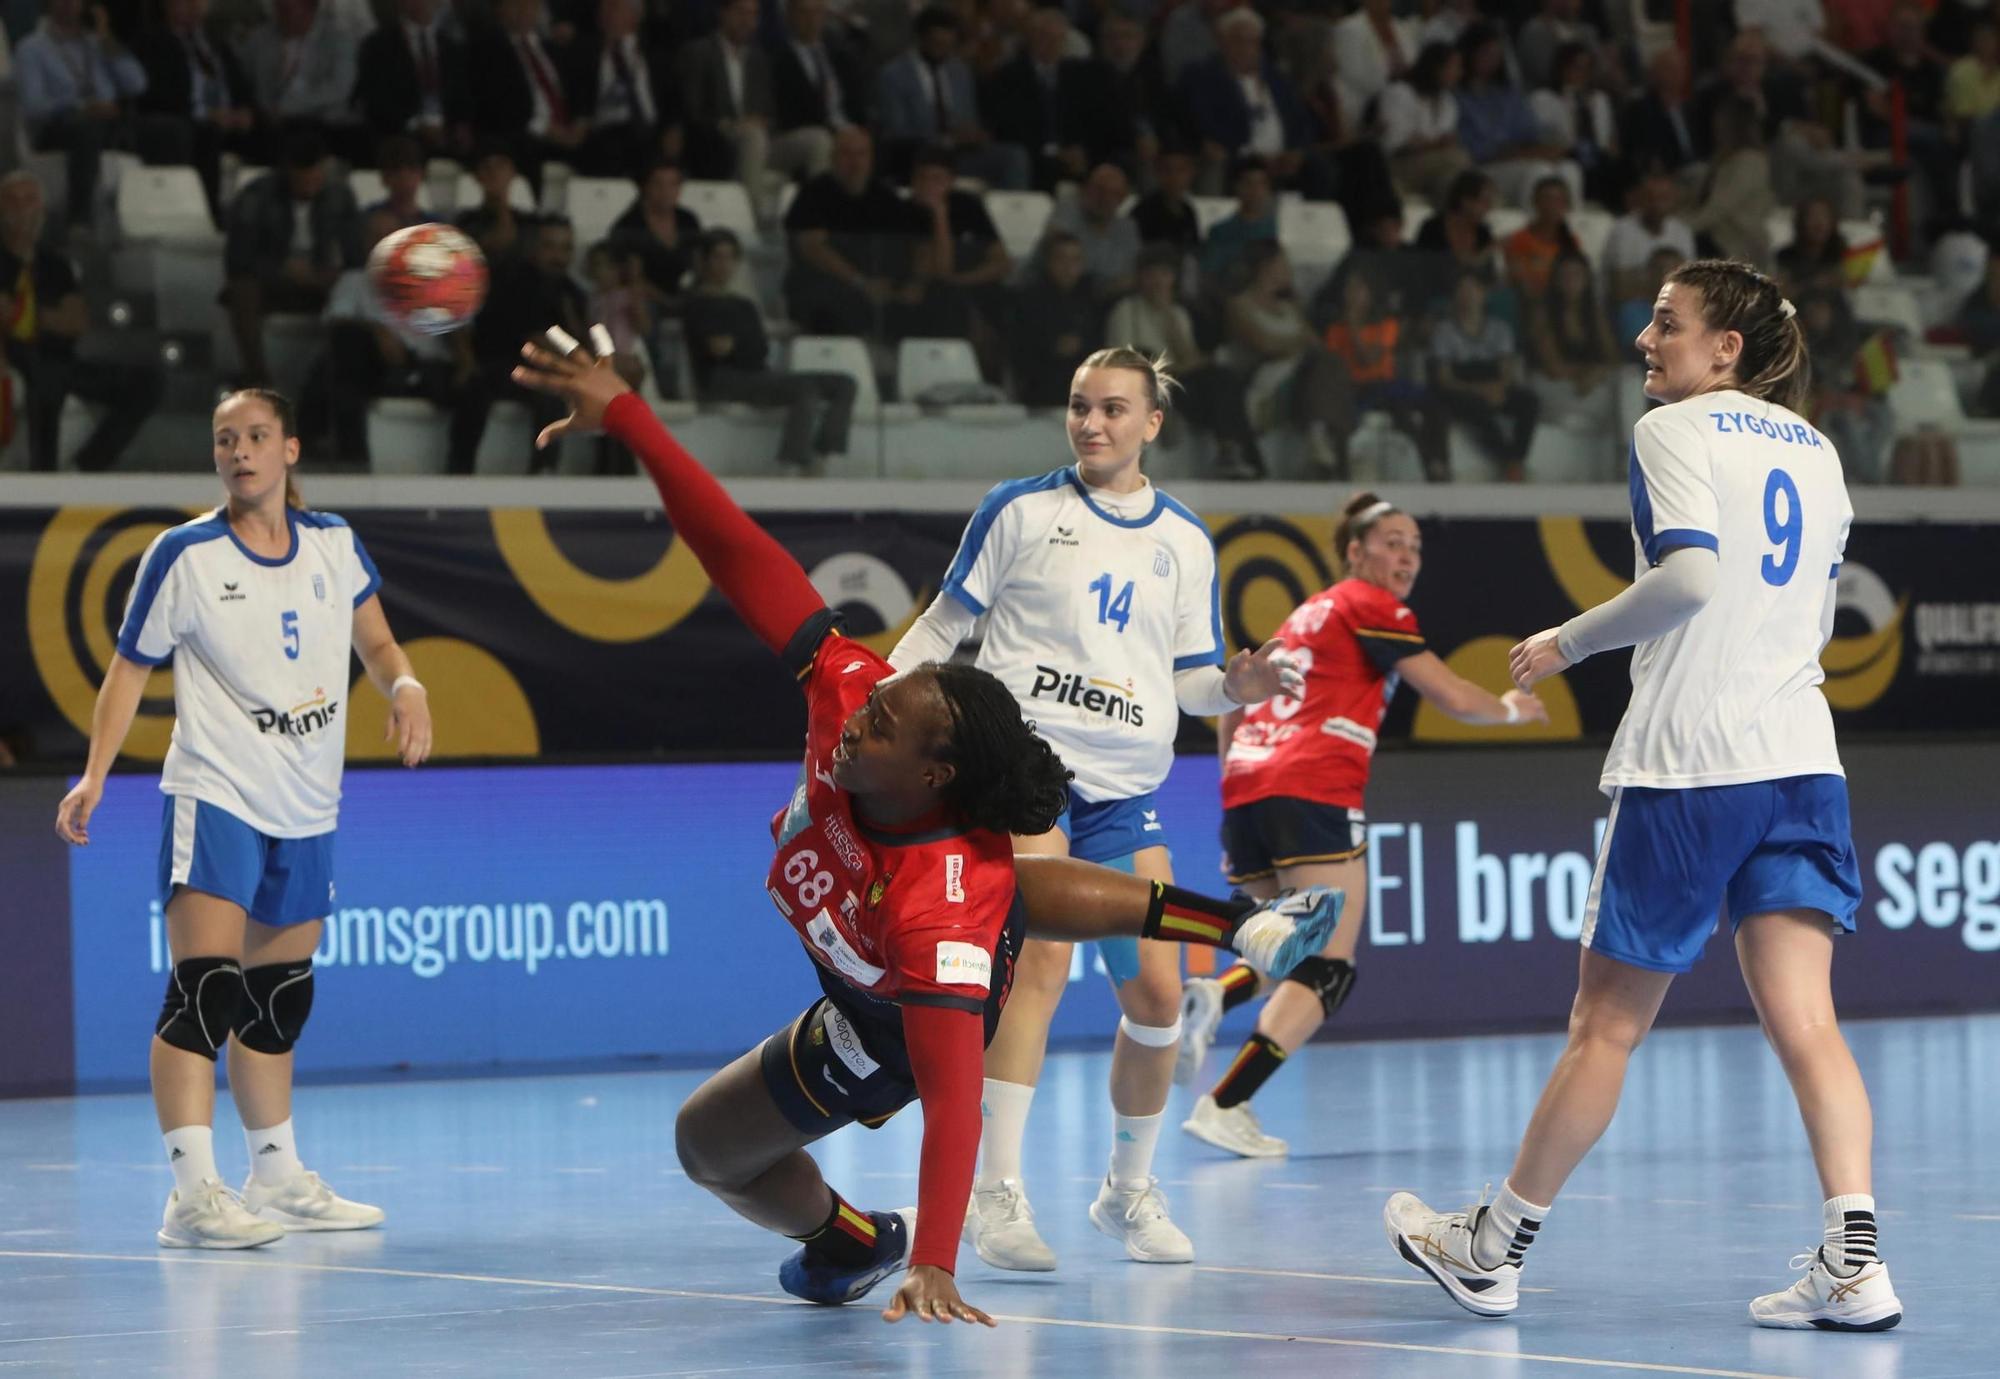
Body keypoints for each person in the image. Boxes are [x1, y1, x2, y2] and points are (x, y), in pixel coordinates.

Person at [509, 331, 1342, 1323]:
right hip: (903, 928)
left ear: (931, 772)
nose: (862, 712)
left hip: (884, 1031)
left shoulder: (938, 913)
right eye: (874, 703)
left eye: (886, 722)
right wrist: (631, 421)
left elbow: (947, 1102)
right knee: (707, 1142)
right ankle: (849, 1236)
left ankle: (1031, 1179)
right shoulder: (851, 689)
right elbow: (739, 551)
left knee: (1018, 921)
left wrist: (937, 1259)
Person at [1384, 258, 1903, 1334]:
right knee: (1807, 1018)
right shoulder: (1818, 451)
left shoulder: (1672, 430)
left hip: (1687, 763)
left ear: (1725, 352)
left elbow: (1691, 579)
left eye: (1666, 324)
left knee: (1604, 1027)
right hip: (1802, 761)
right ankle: (1855, 1262)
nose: (1643, 340)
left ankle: (1490, 1247)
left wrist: (1561, 643)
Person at [884, 346, 1305, 1274]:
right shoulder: (1021, 508)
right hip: (1025, 777)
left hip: (1128, 792)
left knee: (1158, 994)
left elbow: (1197, 683)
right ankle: (998, 1192)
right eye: (1079, 406)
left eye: (1114, 409)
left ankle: (1126, 1192)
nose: (1091, 424)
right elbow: (944, 627)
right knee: (1036, 961)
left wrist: (1239, 679)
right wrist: (872, 700)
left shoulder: (1186, 540)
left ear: (1152, 423)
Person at [53, 387, 432, 1248]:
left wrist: (404, 684)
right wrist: (95, 775)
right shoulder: (183, 554)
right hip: (216, 792)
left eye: (257, 436)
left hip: (308, 802)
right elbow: (127, 671)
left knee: (279, 997)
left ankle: (278, 1175)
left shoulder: (334, 543)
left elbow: (375, 643)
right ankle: (191, 1195)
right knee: (205, 989)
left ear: (290, 449)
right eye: (225, 439)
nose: (240, 451)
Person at [1180, 495, 1549, 1155]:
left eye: (1414, 545)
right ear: (1355, 550)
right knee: (1330, 963)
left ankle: (1219, 1046)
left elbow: (1233, 705)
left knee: (1278, 937)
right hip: (1314, 786)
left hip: (1248, 787)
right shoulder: (1371, 605)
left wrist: (1232, 782)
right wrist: (1513, 709)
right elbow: (1450, 695)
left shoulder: (1303, 615)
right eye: (1391, 542)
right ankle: (1221, 1057)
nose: (1406, 556)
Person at [0, 171, 165, 472]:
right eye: (14, 201)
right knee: (45, 377)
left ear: (42, 209)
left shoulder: (55, 265)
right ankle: (43, 476)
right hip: (14, 358)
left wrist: (27, 316)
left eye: (30, 200)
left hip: (59, 359)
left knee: (146, 383)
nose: (23, 210)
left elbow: (76, 321)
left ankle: (86, 467)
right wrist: (47, 318)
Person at [686, 228, 856, 467]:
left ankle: (825, 450)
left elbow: (758, 349)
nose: (724, 265)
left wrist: (737, 345)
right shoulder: (697, 303)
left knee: (845, 383)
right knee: (805, 389)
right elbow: (718, 350)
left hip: (756, 373)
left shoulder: (744, 305)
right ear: (704, 261)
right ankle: (794, 459)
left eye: (730, 257)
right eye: (717, 257)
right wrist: (742, 345)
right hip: (723, 379)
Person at [14, 0, 149, 233]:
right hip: (58, 126)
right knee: (86, 129)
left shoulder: (98, 44)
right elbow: (33, 106)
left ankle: (159, 216)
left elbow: (137, 84)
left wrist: (106, 39)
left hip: (108, 124)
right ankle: (80, 221)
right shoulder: (32, 48)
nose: (69, 3)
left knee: (166, 130)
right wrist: (82, 107)